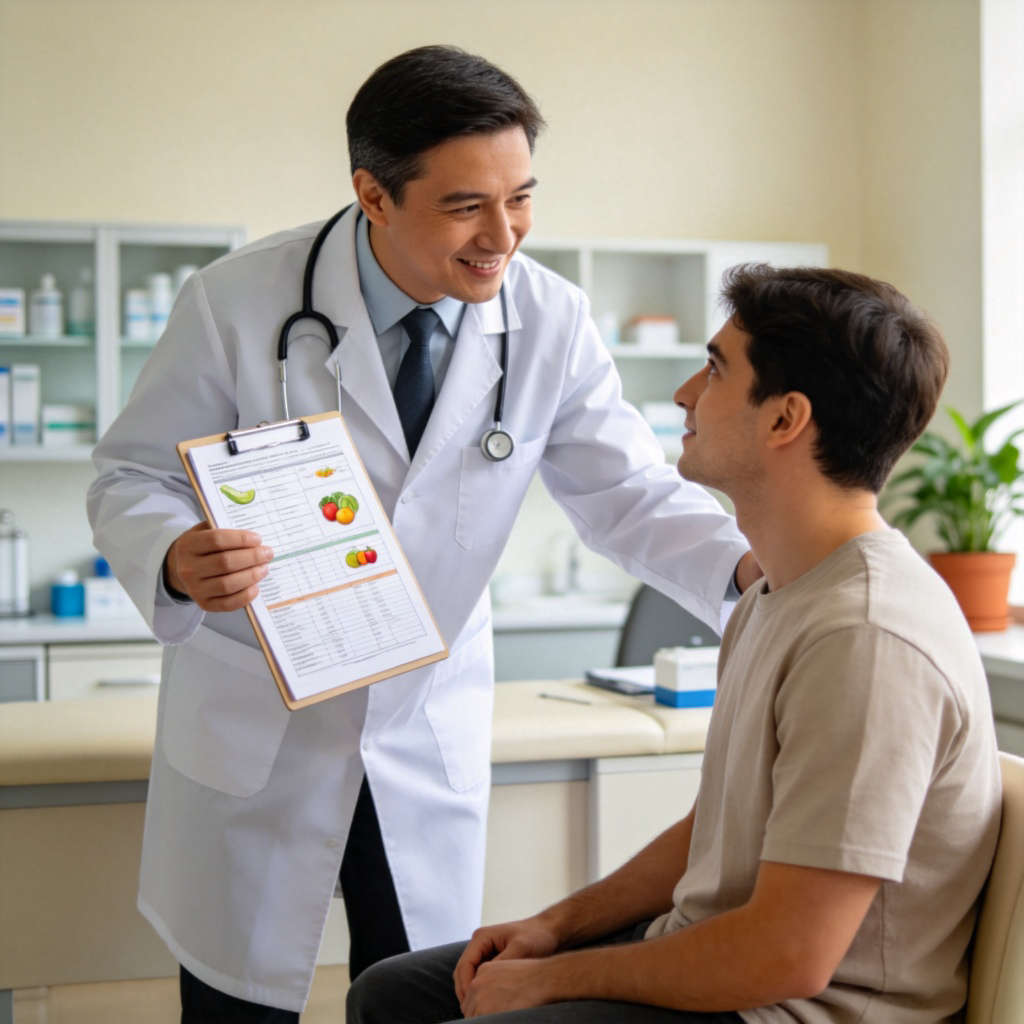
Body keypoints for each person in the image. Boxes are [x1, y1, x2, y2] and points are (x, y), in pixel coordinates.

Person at [86, 45, 758, 1019]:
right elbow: (132, 475)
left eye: (521, 198)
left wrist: (755, 574)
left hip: (420, 716)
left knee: (421, 992)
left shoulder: (549, 320)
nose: (504, 237)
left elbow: (628, 494)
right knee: (236, 1000)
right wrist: (176, 557)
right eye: (465, 206)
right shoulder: (238, 302)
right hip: (258, 711)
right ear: (373, 193)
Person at [345, 264, 1003, 1024]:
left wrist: (557, 980)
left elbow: (789, 955)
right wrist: (555, 928)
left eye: (717, 369)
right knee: (391, 992)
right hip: (724, 952)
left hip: (795, 1008)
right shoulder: (775, 591)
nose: (686, 393)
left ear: (786, 419)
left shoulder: (866, 636)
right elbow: (716, 831)